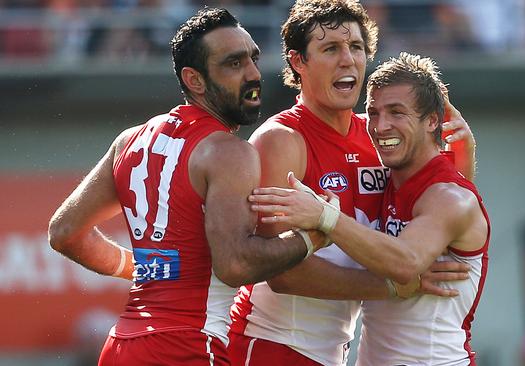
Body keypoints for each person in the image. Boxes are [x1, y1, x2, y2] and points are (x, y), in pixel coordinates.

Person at [47, 8, 326, 366]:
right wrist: (313, 237)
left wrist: (140, 268)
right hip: (189, 346)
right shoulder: (228, 152)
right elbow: (235, 265)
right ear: (194, 80)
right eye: (233, 64)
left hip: (121, 346)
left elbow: (65, 232)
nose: (254, 74)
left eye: (253, 59)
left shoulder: (130, 140)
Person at [227, 1, 478, 365]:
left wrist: (463, 154)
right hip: (273, 343)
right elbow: (278, 271)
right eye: (330, 49)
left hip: (333, 350)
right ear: (298, 62)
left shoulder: (376, 135)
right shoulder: (282, 139)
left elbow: (436, 210)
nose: (348, 60)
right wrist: (392, 286)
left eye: (356, 47)